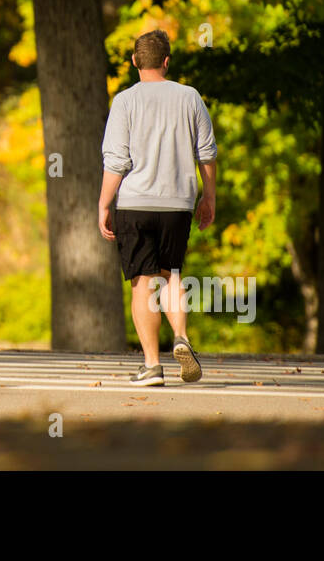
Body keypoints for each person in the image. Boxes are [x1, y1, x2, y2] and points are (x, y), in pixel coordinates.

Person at [98, 29, 217, 386]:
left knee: (142, 284)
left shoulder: (124, 101)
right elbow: (206, 152)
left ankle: (152, 365)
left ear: (135, 61)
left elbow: (116, 160)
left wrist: (104, 203)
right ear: (167, 62)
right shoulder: (190, 97)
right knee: (172, 275)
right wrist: (208, 196)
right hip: (177, 203)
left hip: (135, 202)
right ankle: (180, 336)